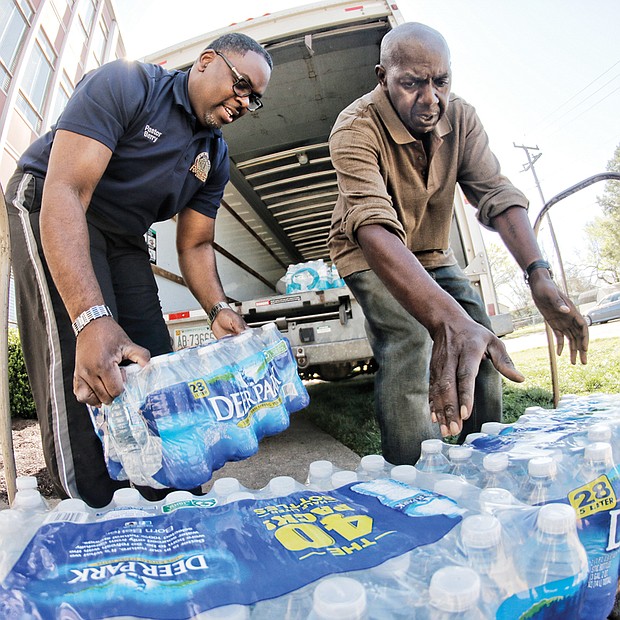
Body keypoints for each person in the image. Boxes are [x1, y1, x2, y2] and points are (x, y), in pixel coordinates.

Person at [6, 33, 272, 507]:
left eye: (254, 98)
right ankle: (92, 510)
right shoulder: (128, 84)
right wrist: (91, 318)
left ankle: (167, 499)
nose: (244, 102)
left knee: (154, 362)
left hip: (124, 235)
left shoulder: (215, 157)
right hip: (54, 201)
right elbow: (66, 191)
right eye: (241, 85)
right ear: (206, 61)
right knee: (87, 357)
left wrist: (218, 308)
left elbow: (195, 243)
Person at [327, 22, 588, 465]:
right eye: (412, 84)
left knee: (479, 340)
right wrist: (445, 321)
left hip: (430, 250)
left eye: (441, 82)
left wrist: (537, 274)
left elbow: (497, 195)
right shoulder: (354, 127)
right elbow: (371, 226)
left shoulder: (462, 118)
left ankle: (488, 461)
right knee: (413, 339)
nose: (430, 100)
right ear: (382, 77)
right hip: (370, 252)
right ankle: (412, 479)